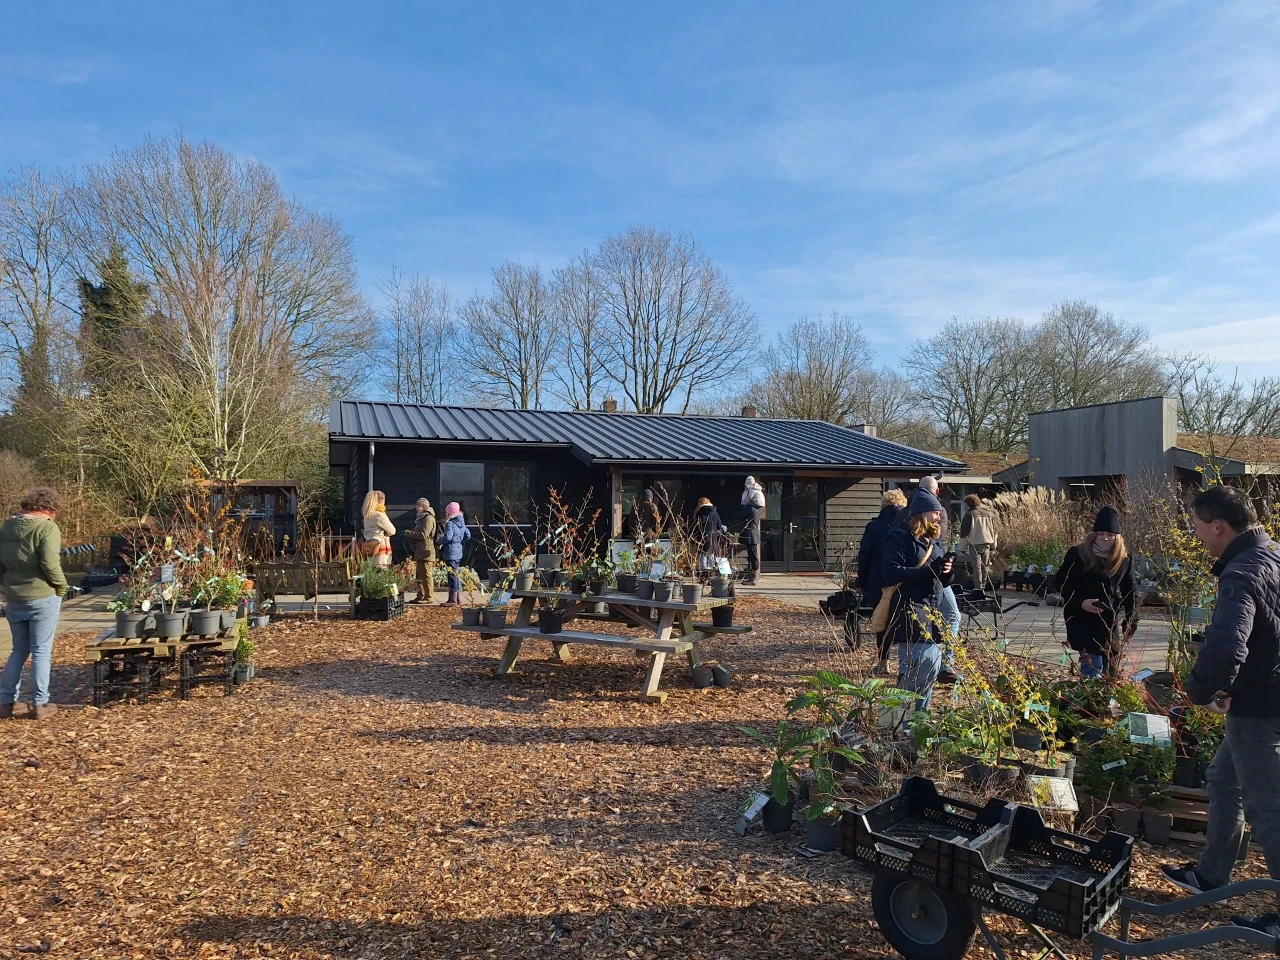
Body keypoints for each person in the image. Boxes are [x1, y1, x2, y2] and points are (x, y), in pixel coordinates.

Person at [1160, 486, 1280, 938]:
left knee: (1269, 809)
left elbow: (1228, 646)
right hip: (1263, 694)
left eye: (1196, 527)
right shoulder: (1273, 553)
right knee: (1223, 778)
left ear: (1217, 526)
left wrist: (1201, 690)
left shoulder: (1242, 572)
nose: (1196, 536)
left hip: (1260, 709)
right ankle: (1211, 875)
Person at [879, 487, 955, 710]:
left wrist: (947, 571)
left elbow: (943, 580)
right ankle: (895, 712)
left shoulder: (934, 542)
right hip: (910, 608)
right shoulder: (899, 537)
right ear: (922, 513)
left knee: (932, 667)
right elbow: (890, 572)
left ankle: (919, 718)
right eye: (936, 512)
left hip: (934, 609)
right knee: (919, 663)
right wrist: (925, 572)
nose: (939, 517)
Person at [0, 487, 68, 720]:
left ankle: (6, 702)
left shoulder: (6, 527)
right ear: (50, 509)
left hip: (14, 597)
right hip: (42, 595)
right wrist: (61, 587)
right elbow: (50, 563)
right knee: (41, 650)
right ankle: (40, 704)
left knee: (18, 650)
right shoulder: (47, 527)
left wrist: (6, 586)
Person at [1051, 507, 1136, 679]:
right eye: (1101, 533)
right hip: (1082, 618)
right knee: (1092, 667)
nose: (1105, 538)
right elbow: (1060, 583)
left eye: (1110, 534)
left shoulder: (1125, 558)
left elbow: (1129, 589)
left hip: (1108, 619)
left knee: (1112, 667)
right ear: (1094, 534)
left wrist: (1131, 619)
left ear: (1117, 537)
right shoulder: (1078, 554)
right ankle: (1090, 694)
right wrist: (1081, 602)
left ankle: (1107, 695)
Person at [858, 488, 909, 674]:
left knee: (882, 621)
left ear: (883, 505)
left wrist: (862, 581)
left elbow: (864, 556)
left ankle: (883, 662)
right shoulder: (908, 524)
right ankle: (905, 664)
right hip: (903, 579)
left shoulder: (873, 526)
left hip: (877, 580)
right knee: (904, 621)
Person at [959, 494, 1000, 590]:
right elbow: (994, 531)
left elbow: (964, 533)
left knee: (976, 567)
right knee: (984, 566)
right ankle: (983, 585)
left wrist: (962, 548)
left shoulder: (969, 515)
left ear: (968, 504)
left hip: (975, 544)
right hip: (987, 544)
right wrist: (993, 545)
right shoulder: (989, 514)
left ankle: (978, 587)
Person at [403, 498, 437, 604]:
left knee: (426, 575)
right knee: (419, 575)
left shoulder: (429, 518)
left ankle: (429, 597)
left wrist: (408, 533)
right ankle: (420, 595)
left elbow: (424, 534)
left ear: (424, 507)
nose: (417, 508)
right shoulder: (421, 518)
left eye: (419, 506)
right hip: (420, 550)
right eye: (417, 506)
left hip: (426, 551)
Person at [439, 501, 471, 606]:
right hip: (458, 552)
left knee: (452, 575)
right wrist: (459, 542)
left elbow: (448, 537)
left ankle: (452, 600)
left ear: (449, 513)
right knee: (455, 575)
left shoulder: (450, 523)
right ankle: (457, 599)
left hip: (450, 552)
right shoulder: (461, 522)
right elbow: (468, 535)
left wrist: (438, 541)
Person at [361, 490, 396, 568]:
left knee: (372, 569)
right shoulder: (379, 515)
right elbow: (392, 531)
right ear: (381, 500)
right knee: (381, 570)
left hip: (370, 545)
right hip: (380, 546)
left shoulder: (367, 514)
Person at [740, 477, 765, 586]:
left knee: (753, 555)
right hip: (752, 533)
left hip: (751, 534)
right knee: (751, 555)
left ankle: (753, 578)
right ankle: (752, 577)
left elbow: (743, 516)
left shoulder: (750, 508)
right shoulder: (756, 509)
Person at [694, 498, 727, 573]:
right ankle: (712, 571)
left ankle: (703, 572)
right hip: (713, 536)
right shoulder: (715, 512)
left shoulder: (700, 513)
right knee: (711, 554)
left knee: (703, 554)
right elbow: (719, 525)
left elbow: (697, 525)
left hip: (703, 535)